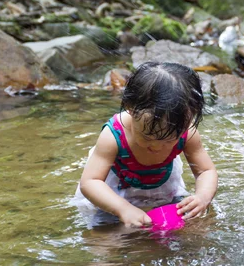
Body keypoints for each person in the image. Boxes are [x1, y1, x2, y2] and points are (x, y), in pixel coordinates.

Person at [72, 62, 218, 227]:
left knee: (196, 229)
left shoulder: (187, 132)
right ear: (131, 109)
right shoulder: (113, 137)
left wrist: (202, 197)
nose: (156, 147)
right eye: (147, 137)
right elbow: (90, 182)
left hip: (162, 192)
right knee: (103, 244)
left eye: (169, 140)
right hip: (113, 198)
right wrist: (122, 208)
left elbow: (206, 170)